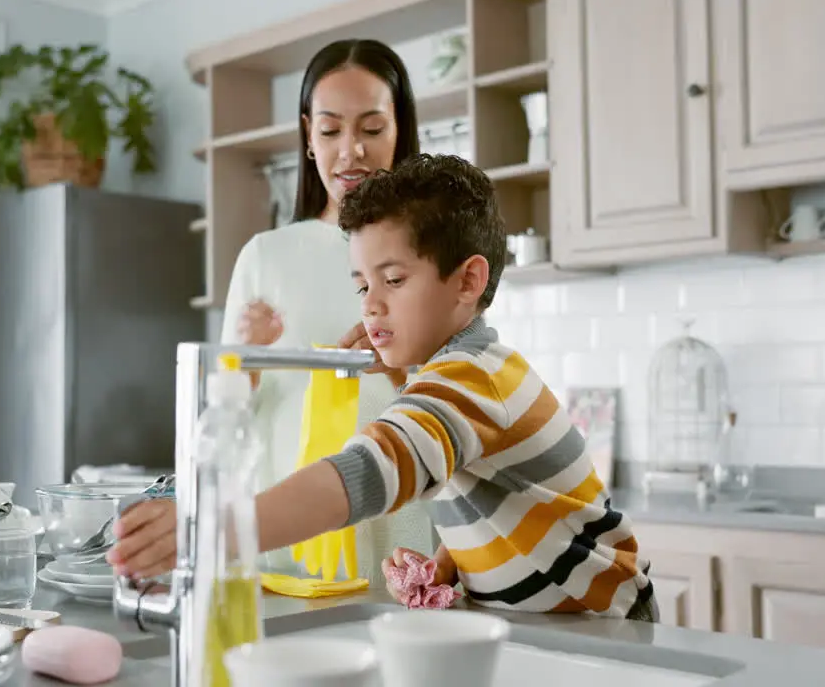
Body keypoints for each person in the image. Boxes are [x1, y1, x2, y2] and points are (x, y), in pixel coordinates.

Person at [111, 154, 658, 620]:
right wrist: (451, 566)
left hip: (609, 633)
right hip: (557, 631)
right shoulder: (452, 377)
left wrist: (215, 529)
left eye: (394, 280)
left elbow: (370, 471)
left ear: (468, 281)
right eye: (363, 284)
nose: (371, 303)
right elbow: (513, 513)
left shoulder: (472, 378)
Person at [215, 38, 435, 579]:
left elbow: (466, 398)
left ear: (399, 129)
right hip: (287, 527)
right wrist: (244, 362)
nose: (350, 151)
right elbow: (218, 417)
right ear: (309, 137)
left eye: (372, 128)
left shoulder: (433, 252)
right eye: (331, 130)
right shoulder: (265, 256)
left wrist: (400, 370)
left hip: (395, 517)